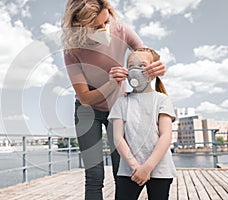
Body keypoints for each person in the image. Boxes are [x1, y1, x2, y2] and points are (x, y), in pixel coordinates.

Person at [61, 0, 166, 199]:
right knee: (94, 174)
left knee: (122, 171)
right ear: (81, 27)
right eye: (97, 27)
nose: (105, 29)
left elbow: (146, 57)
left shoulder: (121, 30)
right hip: (87, 112)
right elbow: (85, 98)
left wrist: (157, 66)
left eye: (106, 21)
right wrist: (112, 83)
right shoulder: (71, 51)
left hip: (118, 109)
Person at [108, 48, 176, 200]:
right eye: (131, 66)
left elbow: (166, 135)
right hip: (128, 171)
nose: (135, 70)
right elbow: (118, 137)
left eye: (142, 65)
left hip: (160, 169)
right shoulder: (121, 102)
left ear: (154, 70)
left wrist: (147, 167)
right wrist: (136, 167)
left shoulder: (162, 100)